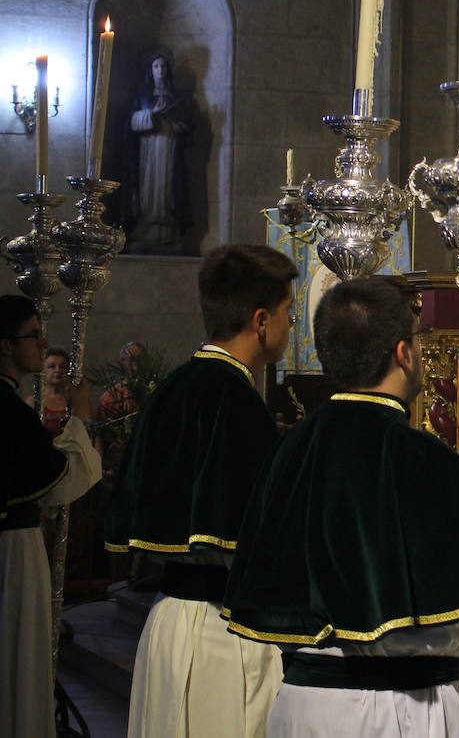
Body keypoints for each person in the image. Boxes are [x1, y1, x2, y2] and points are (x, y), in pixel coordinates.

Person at [222, 276, 459, 737]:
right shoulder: (417, 453)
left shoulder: (289, 451)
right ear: (403, 353)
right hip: (400, 709)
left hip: (302, 707)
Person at [105, 244, 298, 737]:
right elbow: (257, 537)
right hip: (223, 633)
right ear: (260, 320)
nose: (291, 325)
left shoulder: (173, 388)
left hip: (167, 624)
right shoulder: (236, 401)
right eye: (288, 313)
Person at [1, 295, 101, 738]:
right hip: (10, 551)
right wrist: (80, 419)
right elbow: (60, 481)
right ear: (6, 345)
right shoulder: (8, 410)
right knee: (18, 661)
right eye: (33, 335)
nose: (43, 345)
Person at [127, 49, 194, 252]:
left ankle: (169, 232)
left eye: (163, 66)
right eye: (156, 66)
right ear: (150, 70)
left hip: (169, 146)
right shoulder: (142, 94)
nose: (160, 70)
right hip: (148, 147)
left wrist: (179, 126)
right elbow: (130, 122)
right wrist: (151, 114)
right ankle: (144, 228)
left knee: (167, 187)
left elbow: (186, 122)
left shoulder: (175, 96)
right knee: (149, 185)